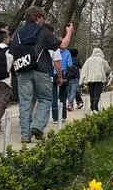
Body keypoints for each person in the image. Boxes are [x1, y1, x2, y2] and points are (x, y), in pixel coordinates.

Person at [8, 8, 74, 144]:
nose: (43, 21)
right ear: (38, 17)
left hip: (23, 71)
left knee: (25, 103)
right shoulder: (42, 31)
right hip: (41, 70)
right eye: (42, 18)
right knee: (45, 99)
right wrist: (69, 33)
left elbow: (12, 52)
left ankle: (25, 135)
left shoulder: (18, 34)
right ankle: (37, 126)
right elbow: (63, 45)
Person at [80, 48, 111, 112]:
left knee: (92, 94)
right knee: (97, 94)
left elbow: (84, 70)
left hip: (90, 79)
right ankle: (94, 108)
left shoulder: (88, 60)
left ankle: (93, 106)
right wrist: (106, 74)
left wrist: (81, 81)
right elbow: (108, 69)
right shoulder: (102, 60)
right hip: (99, 79)